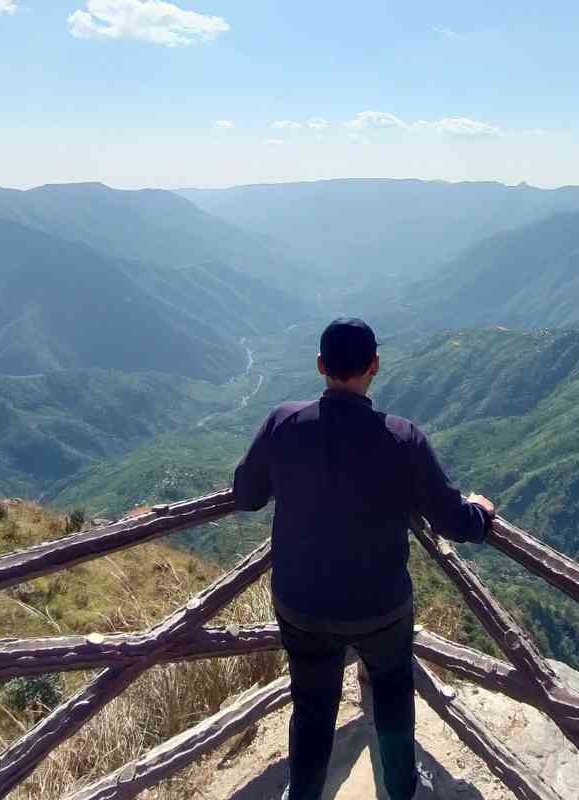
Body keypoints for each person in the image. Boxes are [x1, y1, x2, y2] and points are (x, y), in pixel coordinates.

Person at [233, 317, 496, 800]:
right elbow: (452, 521)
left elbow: (246, 495)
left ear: (319, 366)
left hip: (301, 602)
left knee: (311, 706)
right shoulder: (403, 438)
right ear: (374, 366)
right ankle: (401, 789)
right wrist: (480, 514)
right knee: (394, 696)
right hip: (381, 607)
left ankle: (304, 793)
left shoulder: (283, 422)